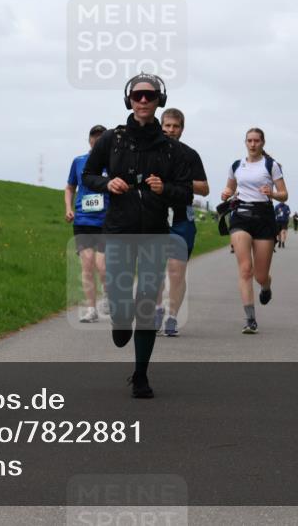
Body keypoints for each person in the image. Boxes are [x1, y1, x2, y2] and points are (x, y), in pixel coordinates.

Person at [83, 73, 192, 398]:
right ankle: (119, 319)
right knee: (119, 295)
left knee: (146, 300)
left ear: (160, 100)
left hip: (155, 233)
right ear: (128, 100)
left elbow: (187, 191)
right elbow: (88, 174)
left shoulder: (172, 150)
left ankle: (141, 375)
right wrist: (107, 184)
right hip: (118, 230)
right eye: (138, 95)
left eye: (150, 95)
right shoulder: (112, 140)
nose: (143, 101)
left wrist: (166, 188)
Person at [220, 128, 288, 335]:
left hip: (264, 218)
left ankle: (266, 286)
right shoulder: (236, 165)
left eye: (256, 141)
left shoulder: (271, 165)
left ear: (262, 142)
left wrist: (273, 194)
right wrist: (226, 193)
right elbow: (229, 189)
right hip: (240, 215)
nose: (252, 144)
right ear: (245, 142)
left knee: (259, 275)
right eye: (249, 140)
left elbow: (284, 194)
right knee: (245, 269)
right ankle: (250, 319)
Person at [155, 108, 208, 337]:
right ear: (160, 126)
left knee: (176, 271)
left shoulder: (190, 155)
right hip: (154, 215)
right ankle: (157, 310)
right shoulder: (150, 152)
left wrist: (178, 182)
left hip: (180, 218)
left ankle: (172, 316)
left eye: (175, 126)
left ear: (182, 129)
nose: (170, 130)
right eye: (167, 126)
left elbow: (204, 188)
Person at [65, 125, 109, 323]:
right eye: (94, 137)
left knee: (103, 265)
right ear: (89, 140)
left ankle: (108, 296)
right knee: (87, 265)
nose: (97, 141)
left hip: (106, 221)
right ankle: (91, 309)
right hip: (83, 220)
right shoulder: (78, 161)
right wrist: (68, 207)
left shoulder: (114, 162)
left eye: (101, 138)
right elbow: (70, 187)